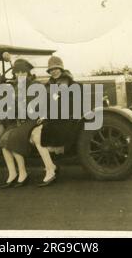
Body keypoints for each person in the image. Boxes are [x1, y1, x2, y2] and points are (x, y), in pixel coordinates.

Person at [30, 55, 78, 186]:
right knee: (33, 134)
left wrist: (46, 115)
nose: (54, 71)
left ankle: (50, 169)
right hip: (54, 118)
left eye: (56, 68)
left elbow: (61, 103)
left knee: (37, 136)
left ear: (61, 69)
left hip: (66, 120)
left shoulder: (66, 82)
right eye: (51, 69)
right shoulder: (50, 84)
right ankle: (52, 164)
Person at [0, 59, 40, 188]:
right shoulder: (15, 87)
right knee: (4, 143)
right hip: (18, 120)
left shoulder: (34, 85)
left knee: (14, 140)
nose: (20, 75)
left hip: (31, 120)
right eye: (17, 72)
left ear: (28, 73)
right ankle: (12, 173)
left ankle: (23, 173)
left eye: (23, 72)